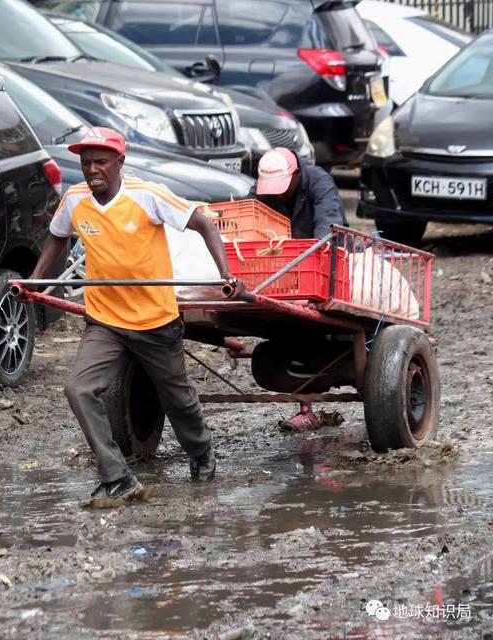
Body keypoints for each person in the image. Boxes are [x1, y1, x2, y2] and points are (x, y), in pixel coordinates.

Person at [29, 127, 239, 503]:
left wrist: (226, 274)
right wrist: (36, 281)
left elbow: (203, 222)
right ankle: (117, 476)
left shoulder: (147, 195)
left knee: (178, 400)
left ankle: (201, 451)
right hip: (105, 322)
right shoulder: (76, 200)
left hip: (154, 320)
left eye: (101, 162)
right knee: (78, 389)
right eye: (86, 162)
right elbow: (57, 236)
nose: (92, 169)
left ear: (120, 163)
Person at [250, 147, 348, 431]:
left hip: (324, 267)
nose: (277, 195)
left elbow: (329, 227)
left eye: (282, 188)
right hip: (281, 275)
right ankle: (306, 407)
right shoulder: (260, 192)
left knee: (311, 332)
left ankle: (311, 400)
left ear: (295, 176)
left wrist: (315, 263)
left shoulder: (319, 183)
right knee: (287, 333)